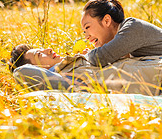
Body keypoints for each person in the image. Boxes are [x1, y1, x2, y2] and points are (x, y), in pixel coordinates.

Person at [9, 43, 162, 95]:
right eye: (39, 54)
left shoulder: (73, 63)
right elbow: (20, 73)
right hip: (151, 79)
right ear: (37, 68)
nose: (48, 49)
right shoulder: (61, 78)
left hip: (152, 63)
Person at [81, 0, 162, 67]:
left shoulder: (132, 27)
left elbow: (101, 57)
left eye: (87, 27)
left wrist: (87, 55)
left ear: (106, 21)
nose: (86, 36)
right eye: (84, 31)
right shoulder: (122, 40)